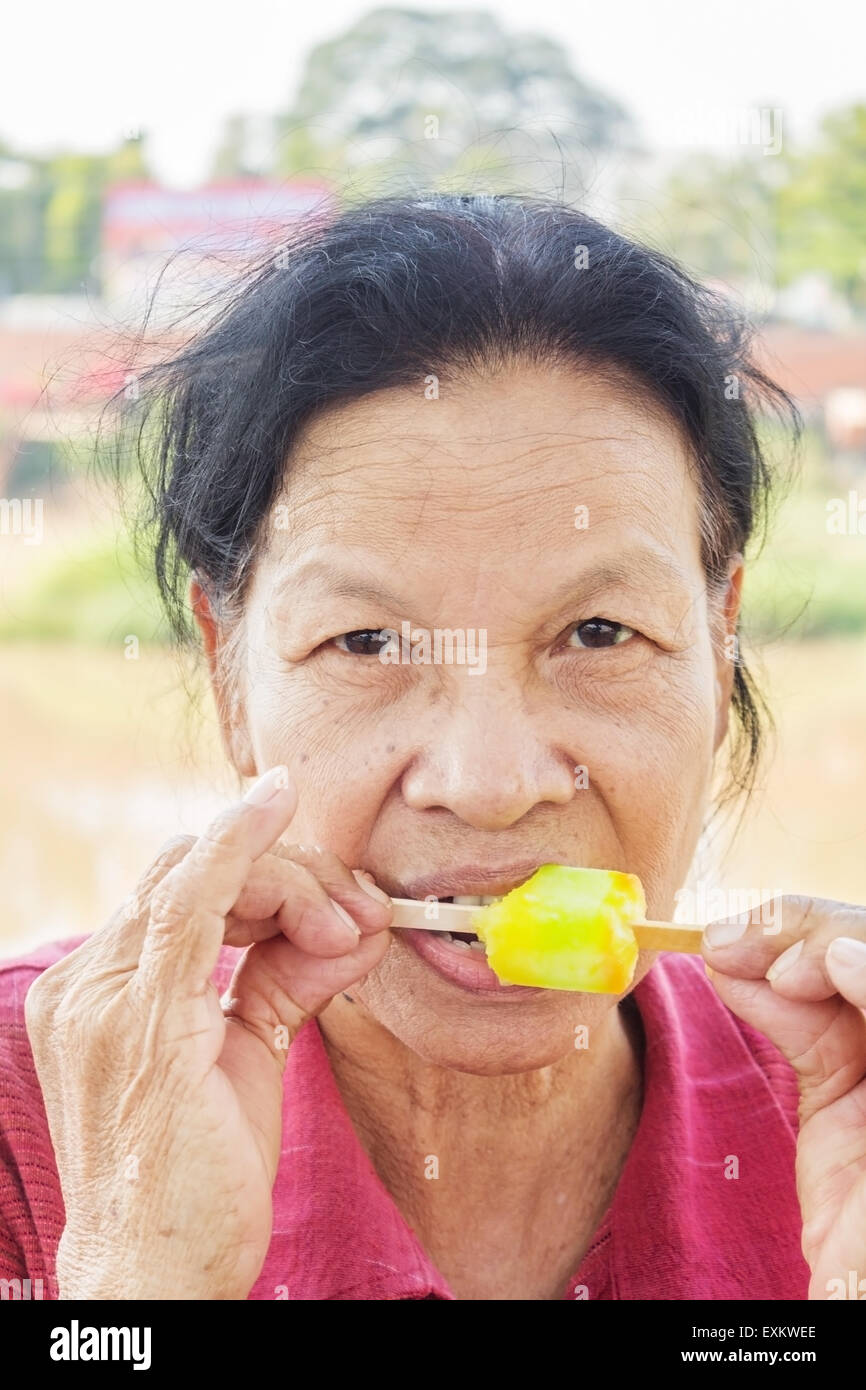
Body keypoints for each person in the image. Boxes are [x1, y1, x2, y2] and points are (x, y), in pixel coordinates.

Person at [2, 194, 864, 1301]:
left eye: (598, 633)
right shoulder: (27, 1122)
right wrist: (135, 1284)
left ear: (718, 642)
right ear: (228, 671)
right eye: (364, 641)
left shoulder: (830, 1114)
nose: (489, 785)